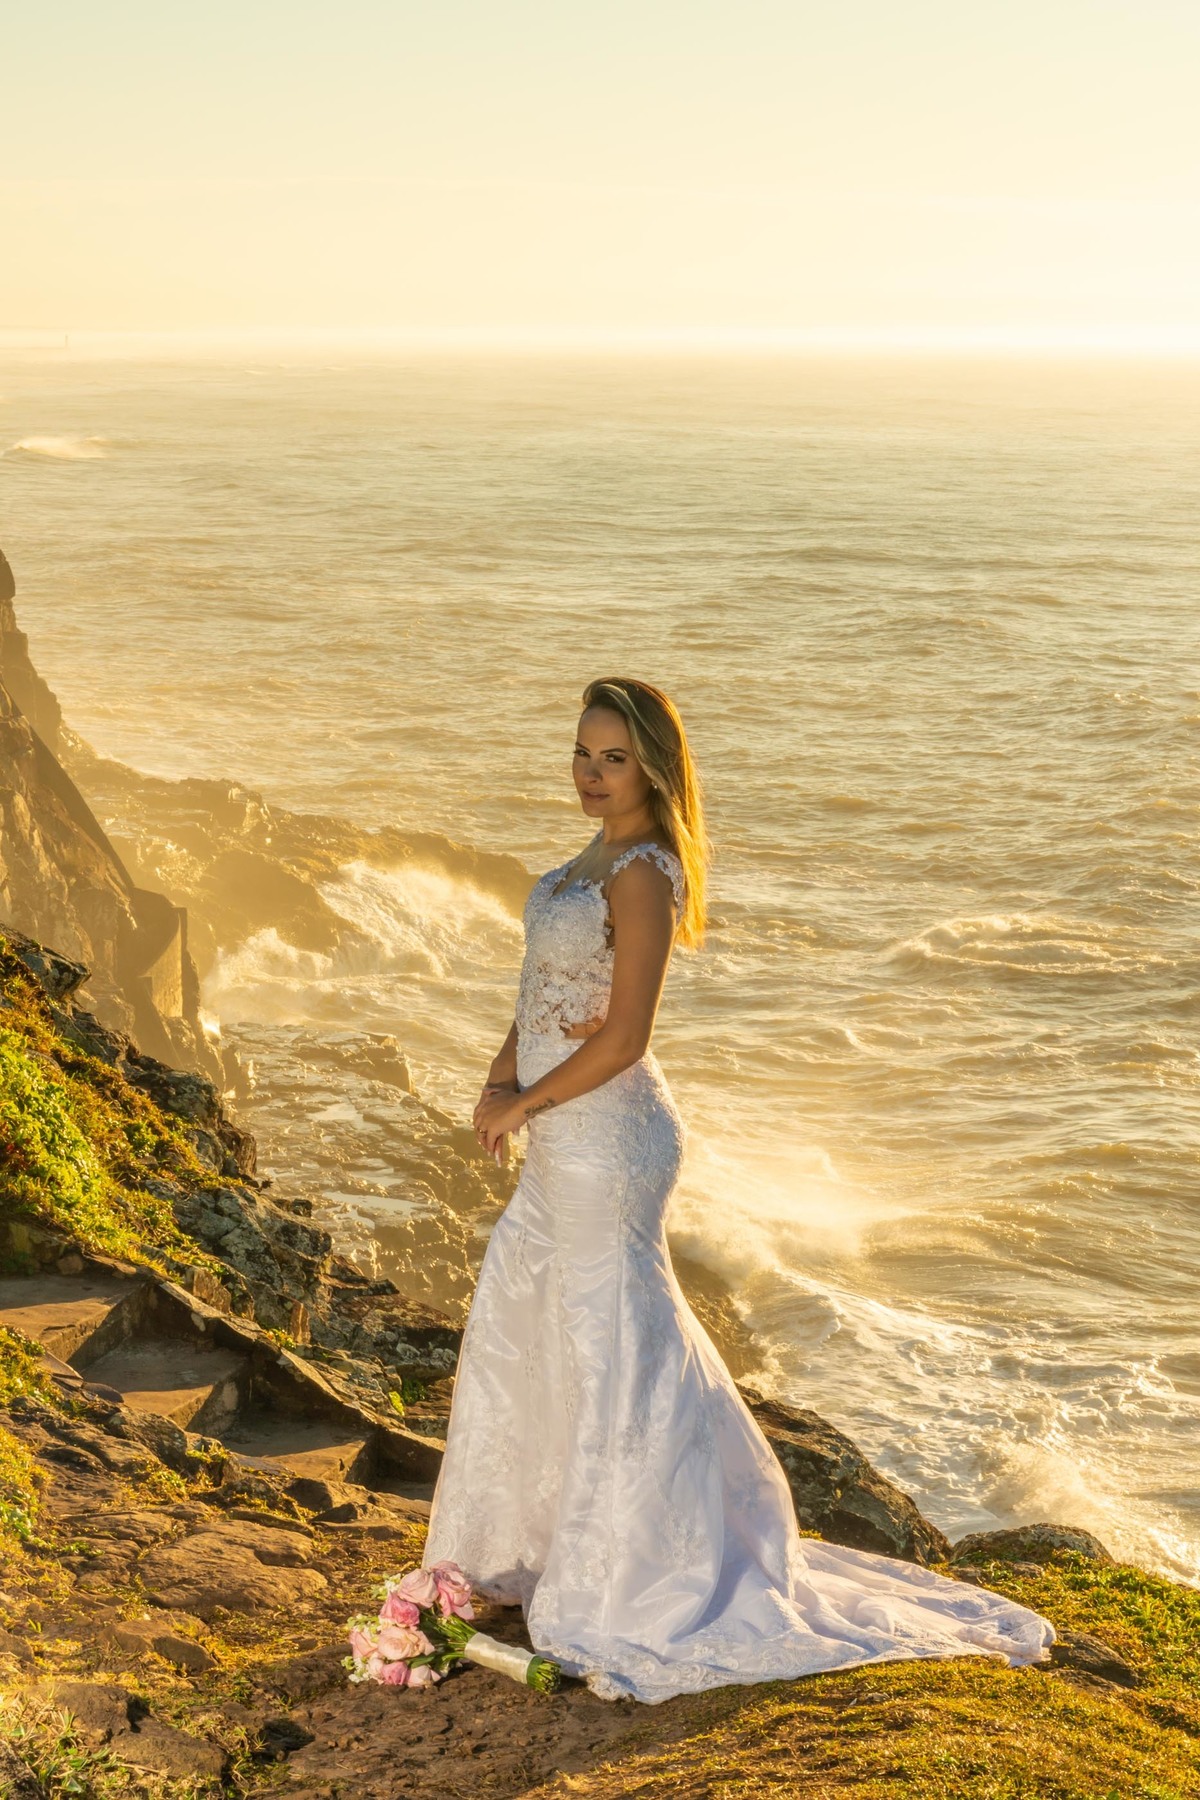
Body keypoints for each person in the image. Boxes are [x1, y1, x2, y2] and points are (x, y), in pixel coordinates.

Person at [421, 674, 1057, 1703]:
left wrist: (524, 1104)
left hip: (608, 1136)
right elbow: (539, 995)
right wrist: (500, 1078)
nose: (591, 773)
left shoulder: (641, 871)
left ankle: (640, 1566)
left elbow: (626, 1038)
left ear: (655, 769)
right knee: (536, 1310)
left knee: (614, 1333)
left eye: (614, 758)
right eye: (583, 753)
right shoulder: (578, 863)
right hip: (558, 1128)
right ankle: (541, 1535)